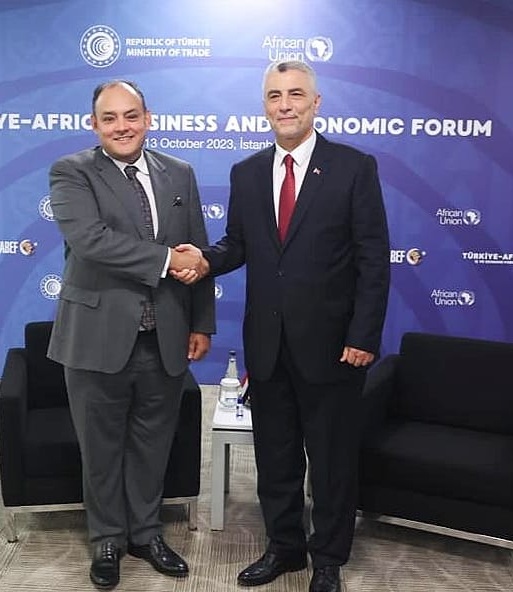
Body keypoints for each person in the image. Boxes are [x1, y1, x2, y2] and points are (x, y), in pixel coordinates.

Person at [175, 60, 390, 592]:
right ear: (265, 106)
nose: (285, 105)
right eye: (275, 96)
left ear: (316, 103)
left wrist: (363, 336)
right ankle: (285, 548)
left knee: (332, 461)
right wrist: (202, 260)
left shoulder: (353, 167)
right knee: (276, 457)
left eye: (296, 94)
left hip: (335, 348)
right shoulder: (247, 172)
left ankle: (328, 560)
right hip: (268, 345)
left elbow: (373, 258)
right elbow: (238, 245)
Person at [47, 79, 214, 590]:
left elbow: (198, 250)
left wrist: (201, 322)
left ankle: (145, 534)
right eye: (110, 118)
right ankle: (106, 539)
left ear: (148, 118)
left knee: (152, 444)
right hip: (96, 338)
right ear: (94, 124)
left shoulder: (180, 172)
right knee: (100, 448)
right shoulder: (72, 172)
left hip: (165, 336)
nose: (122, 126)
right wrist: (167, 260)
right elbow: (91, 241)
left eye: (131, 115)